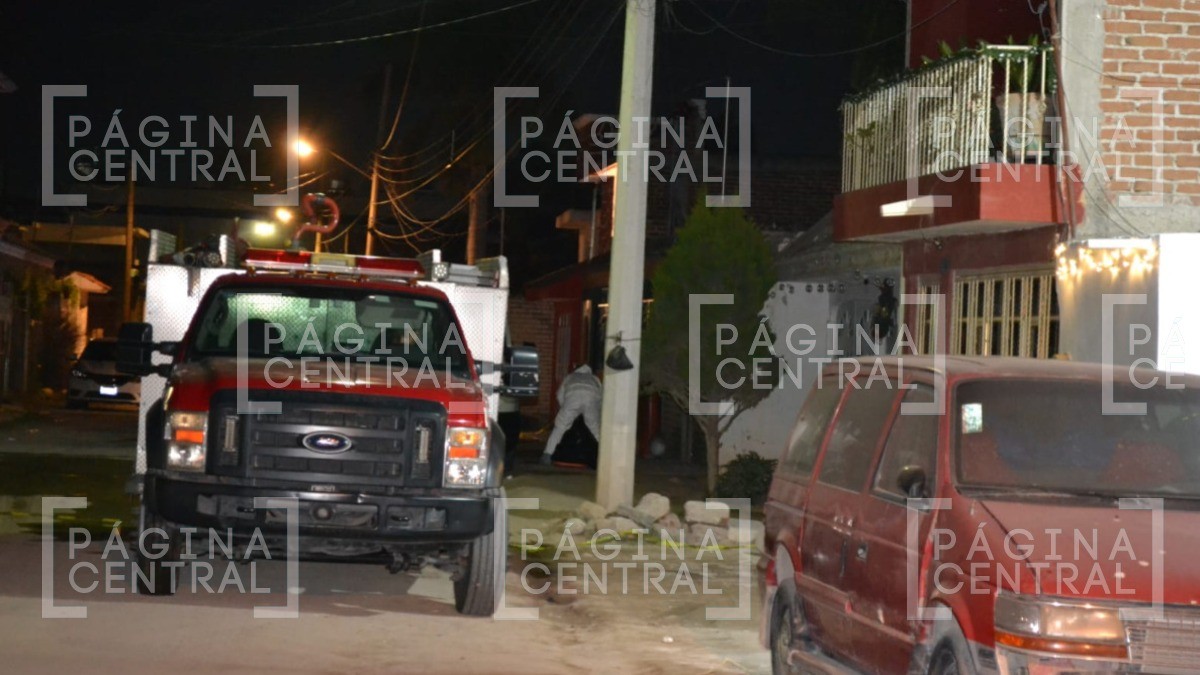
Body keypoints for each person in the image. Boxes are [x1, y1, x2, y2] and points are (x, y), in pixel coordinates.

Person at [541, 364, 602, 465]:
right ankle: (605, 455)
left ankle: (547, 456)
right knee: (596, 429)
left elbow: (559, 395)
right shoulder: (595, 379)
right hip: (591, 400)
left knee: (559, 428)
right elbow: (600, 397)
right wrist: (597, 412)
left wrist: (564, 408)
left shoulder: (570, 377)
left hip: (572, 400)